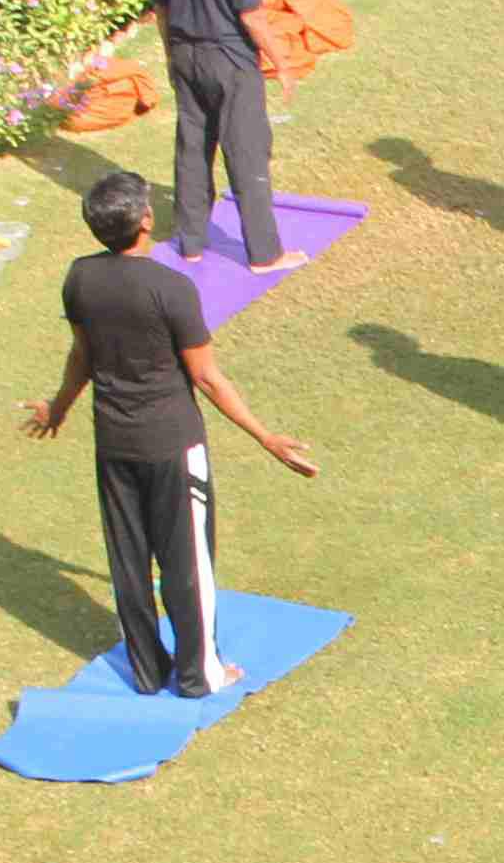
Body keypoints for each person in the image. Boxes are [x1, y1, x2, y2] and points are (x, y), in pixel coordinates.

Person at [27, 170, 317, 702]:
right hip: (172, 444)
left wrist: (58, 408)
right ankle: (200, 674)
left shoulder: (80, 278)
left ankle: (146, 670)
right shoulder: (172, 289)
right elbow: (206, 377)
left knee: (129, 559)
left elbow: (81, 356)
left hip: (113, 442)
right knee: (187, 562)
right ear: (145, 220)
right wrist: (266, 437)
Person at [145, 0, 279, 269]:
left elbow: (162, 9)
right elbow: (252, 16)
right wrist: (283, 62)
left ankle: (191, 242)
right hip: (229, 61)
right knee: (246, 150)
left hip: (185, 55)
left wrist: (171, 56)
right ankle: (264, 253)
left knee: (192, 147)